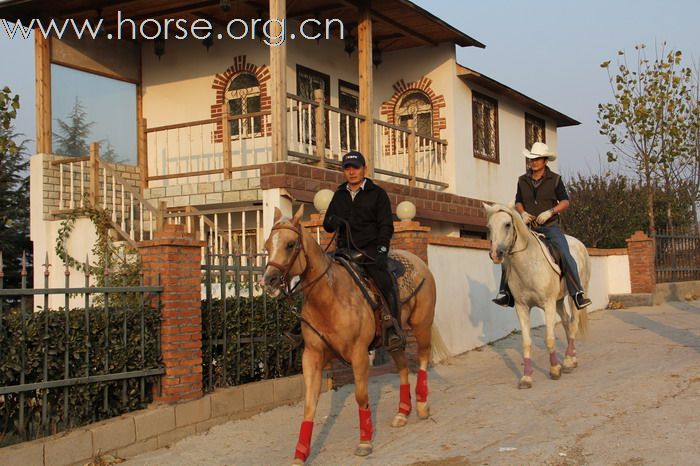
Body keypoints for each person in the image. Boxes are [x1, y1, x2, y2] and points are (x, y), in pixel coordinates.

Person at [321, 150, 405, 352]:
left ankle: (393, 329)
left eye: (355, 168)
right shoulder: (339, 194)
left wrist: (382, 250)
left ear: (364, 169)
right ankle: (304, 327)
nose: (351, 172)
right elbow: (327, 225)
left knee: (385, 281)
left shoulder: (378, 194)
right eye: (347, 169)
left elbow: (386, 225)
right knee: (319, 275)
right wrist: (332, 220)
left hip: (369, 251)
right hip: (343, 252)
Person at [492, 142, 592, 310]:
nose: (533, 162)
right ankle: (506, 293)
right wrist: (522, 212)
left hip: (550, 226)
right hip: (529, 227)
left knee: (565, 253)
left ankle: (577, 293)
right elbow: (518, 201)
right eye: (531, 159)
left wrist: (551, 211)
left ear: (545, 161)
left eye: (537, 159)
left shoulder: (555, 180)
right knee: (508, 252)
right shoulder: (522, 180)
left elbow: (565, 202)